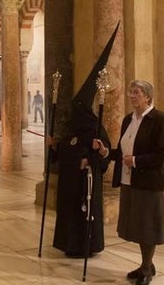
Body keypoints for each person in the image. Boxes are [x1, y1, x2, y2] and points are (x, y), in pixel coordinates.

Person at [47, 25, 117, 258]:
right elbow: (66, 148)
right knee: (68, 213)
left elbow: (103, 156)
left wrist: (90, 157)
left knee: (83, 213)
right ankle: (69, 244)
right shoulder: (72, 128)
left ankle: (87, 245)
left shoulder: (95, 128)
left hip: (84, 183)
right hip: (69, 183)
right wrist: (55, 147)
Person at [94, 80, 164, 285]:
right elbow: (122, 152)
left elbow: (163, 154)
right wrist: (105, 152)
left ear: (147, 96)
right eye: (130, 92)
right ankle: (146, 264)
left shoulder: (160, 119)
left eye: (136, 92)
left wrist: (136, 161)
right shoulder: (129, 119)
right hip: (129, 179)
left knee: (147, 225)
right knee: (137, 225)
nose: (131, 95)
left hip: (148, 181)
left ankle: (147, 267)